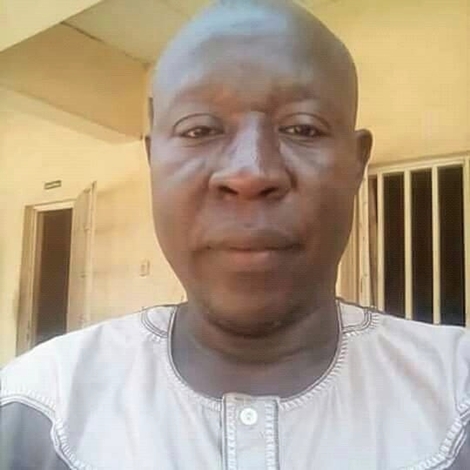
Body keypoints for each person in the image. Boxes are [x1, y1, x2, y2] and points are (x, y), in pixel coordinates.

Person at [1, 0, 470, 468]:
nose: (251, 173)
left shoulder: (457, 397)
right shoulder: (38, 412)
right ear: (153, 161)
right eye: (199, 130)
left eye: (302, 128)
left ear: (356, 163)